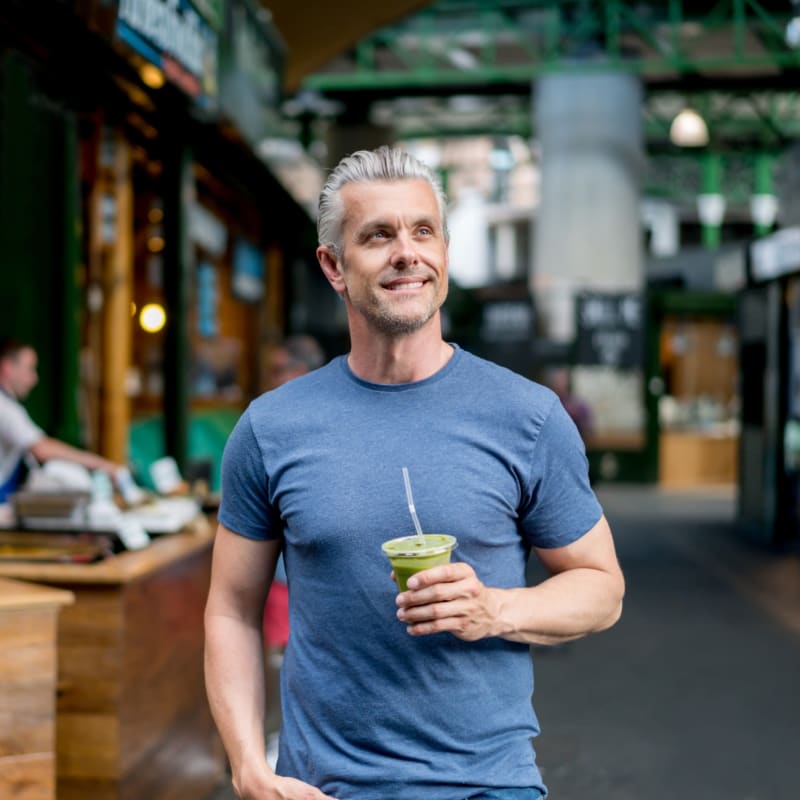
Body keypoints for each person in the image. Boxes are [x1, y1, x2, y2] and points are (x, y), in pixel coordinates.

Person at [204, 146, 625, 800]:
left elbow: (602, 588)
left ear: (446, 256)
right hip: (324, 788)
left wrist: (496, 609)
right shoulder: (271, 428)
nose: (406, 252)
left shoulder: (526, 417)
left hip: (488, 785)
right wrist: (248, 768)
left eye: (423, 231)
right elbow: (232, 609)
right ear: (334, 266)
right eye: (377, 235)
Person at [0, 338, 120, 502]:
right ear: (7, 368)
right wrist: (103, 465)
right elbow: (42, 448)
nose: (34, 379)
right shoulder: (4, 408)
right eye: (29, 369)